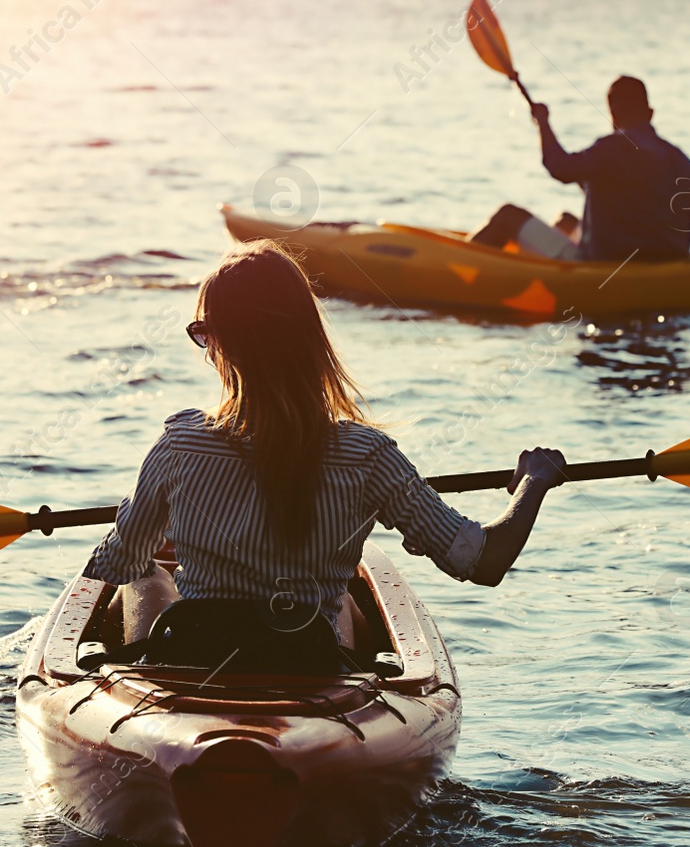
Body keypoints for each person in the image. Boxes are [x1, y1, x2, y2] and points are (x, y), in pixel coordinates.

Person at [81, 241, 566, 670]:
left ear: (223, 344)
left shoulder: (179, 444)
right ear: (308, 337)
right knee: (347, 603)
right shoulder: (368, 456)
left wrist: (146, 528)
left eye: (206, 334)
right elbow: (484, 562)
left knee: (142, 578)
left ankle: (133, 681)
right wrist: (533, 482)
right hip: (305, 662)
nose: (207, 351)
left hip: (197, 655)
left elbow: (118, 564)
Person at [469, 75, 690, 262]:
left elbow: (558, 166)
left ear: (613, 115)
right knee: (566, 222)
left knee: (508, 216)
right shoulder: (681, 161)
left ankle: (457, 267)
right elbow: (636, 204)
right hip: (668, 264)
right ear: (650, 113)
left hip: (602, 267)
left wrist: (543, 123)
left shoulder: (612, 149)